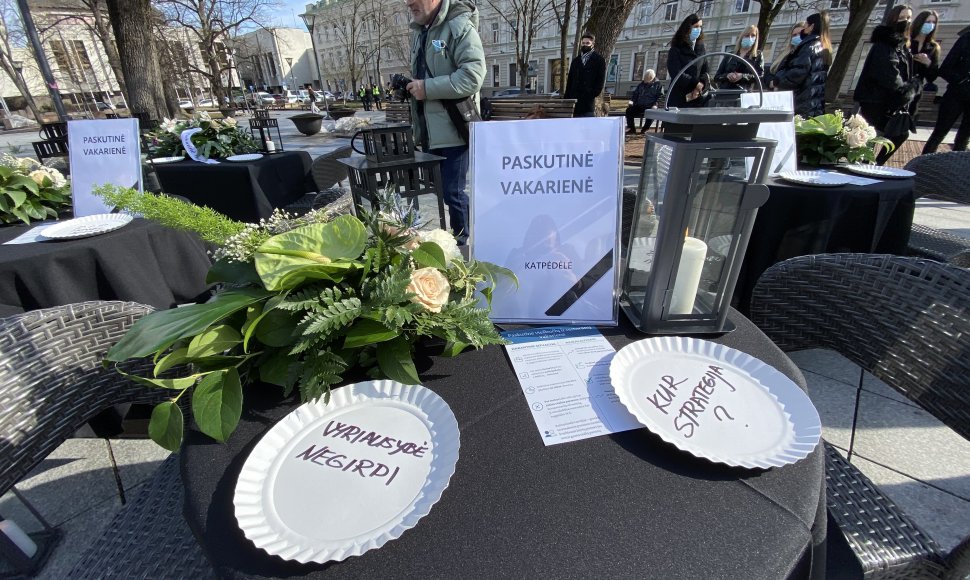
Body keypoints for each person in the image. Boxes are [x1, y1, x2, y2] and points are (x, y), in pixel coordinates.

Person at [405, 0, 485, 245]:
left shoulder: (458, 25)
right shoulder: (422, 32)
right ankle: (448, 242)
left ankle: (463, 244)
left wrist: (426, 88)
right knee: (441, 192)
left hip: (454, 130)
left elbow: (473, 76)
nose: (409, 3)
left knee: (453, 192)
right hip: (430, 131)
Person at [854, 5, 920, 165]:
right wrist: (907, 90)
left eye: (909, 18)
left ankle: (875, 165)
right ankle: (865, 166)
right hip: (875, 100)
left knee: (899, 134)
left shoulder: (901, 47)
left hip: (887, 101)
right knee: (869, 139)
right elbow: (889, 74)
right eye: (903, 17)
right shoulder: (884, 45)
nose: (906, 21)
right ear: (893, 18)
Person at [771, 11, 831, 117]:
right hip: (813, 102)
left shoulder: (809, 46)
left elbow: (797, 73)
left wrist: (777, 80)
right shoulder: (822, 46)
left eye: (807, 24)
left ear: (812, 26)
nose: (804, 28)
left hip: (802, 101)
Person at [923, 31, 970, 153]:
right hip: (955, 95)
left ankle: (954, 169)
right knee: (939, 134)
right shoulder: (966, 39)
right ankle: (922, 165)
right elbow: (945, 69)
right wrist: (962, 82)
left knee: (963, 139)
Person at [666, 14, 709, 109]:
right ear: (688, 28)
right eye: (696, 27)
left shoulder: (701, 48)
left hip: (697, 97)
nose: (698, 30)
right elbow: (676, 73)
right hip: (679, 97)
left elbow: (705, 71)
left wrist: (701, 85)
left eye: (700, 27)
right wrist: (695, 83)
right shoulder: (676, 49)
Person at [564, 33, 607, 117]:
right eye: (583, 43)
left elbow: (600, 79)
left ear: (593, 44)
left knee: (587, 125)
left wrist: (593, 93)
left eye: (587, 43)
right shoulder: (576, 61)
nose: (585, 45)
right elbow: (570, 80)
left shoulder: (599, 60)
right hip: (574, 99)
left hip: (588, 100)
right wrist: (567, 97)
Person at [909, 11, 941, 122]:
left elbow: (932, 77)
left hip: (915, 91)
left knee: (905, 124)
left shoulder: (933, 47)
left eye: (933, 22)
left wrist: (928, 63)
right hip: (899, 85)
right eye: (928, 21)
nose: (930, 25)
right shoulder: (907, 40)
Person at [714, 24, 764, 92]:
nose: (749, 38)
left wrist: (743, 76)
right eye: (747, 35)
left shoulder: (757, 55)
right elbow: (717, 77)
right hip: (725, 92)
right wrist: (727, 75)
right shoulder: (730, 55)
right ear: (742, 37)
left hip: (744, 93)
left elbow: (760, 76)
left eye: (753, 35)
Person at [765, 23, 804, 88]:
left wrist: (777, 83)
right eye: (794, 35)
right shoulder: (784, 55)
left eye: (800, 34)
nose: (797, 37)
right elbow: (770, 72)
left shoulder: (806, 54)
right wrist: (771, 82)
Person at [625, 69, 664, 134]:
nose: (645, 81)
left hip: (650, 106)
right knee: (629, 110)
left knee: (652, 113)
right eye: (645, 79)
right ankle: (631, 129)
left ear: (652, 78)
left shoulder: (658, 85)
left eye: (647, 80)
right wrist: (632, 101)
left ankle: (645, 129)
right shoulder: (641, 84)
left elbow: (661, 97)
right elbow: (635, 94)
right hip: (639, 105)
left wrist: (655, 105)